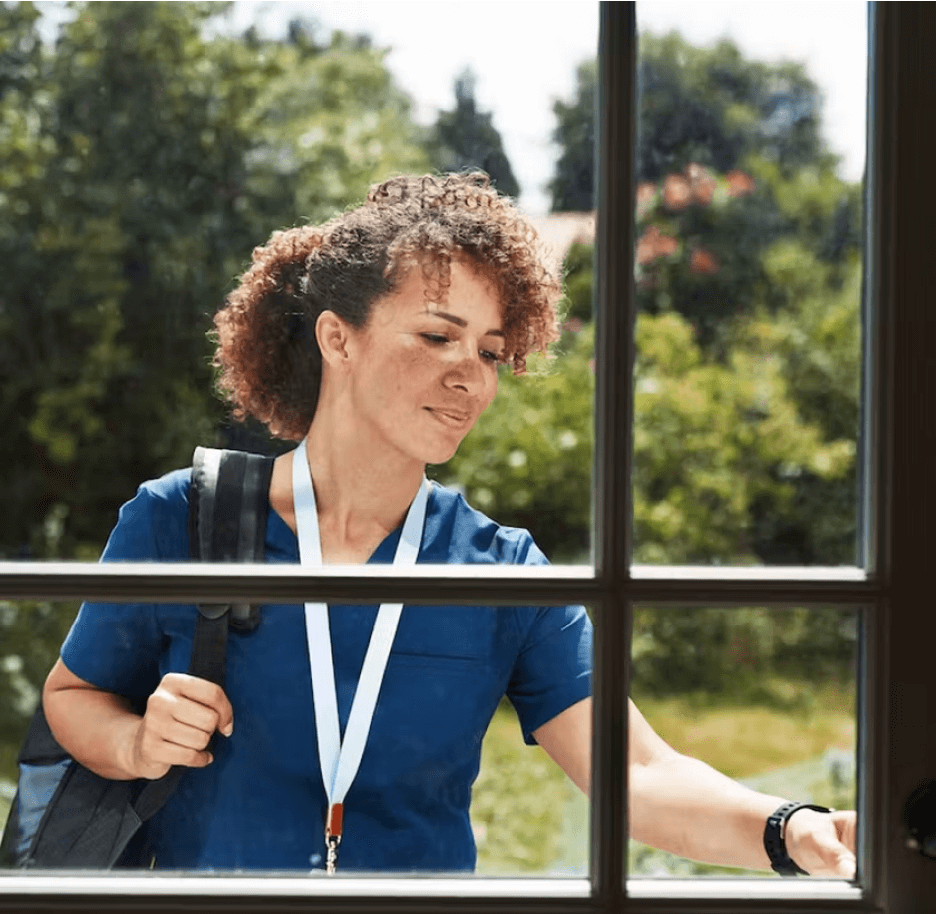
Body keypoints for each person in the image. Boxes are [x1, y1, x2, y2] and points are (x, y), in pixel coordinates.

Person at [43, 173, 856, 876]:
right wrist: (137, 745)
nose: (469, 375)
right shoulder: (179, 516)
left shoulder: (502, 569)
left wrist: (792, 829)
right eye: (437, 335)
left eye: (492, 351)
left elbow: (637, 770)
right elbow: (73, 696)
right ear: (338, 338)